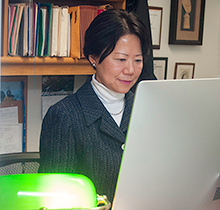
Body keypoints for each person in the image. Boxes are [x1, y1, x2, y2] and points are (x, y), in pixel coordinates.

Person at [38, 9, 150, 202]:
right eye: (121, 59)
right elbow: (53, 200)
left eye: (137, 60)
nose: (130, 70)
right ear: (93, 58)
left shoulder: (146, 110)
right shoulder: (64, 116)